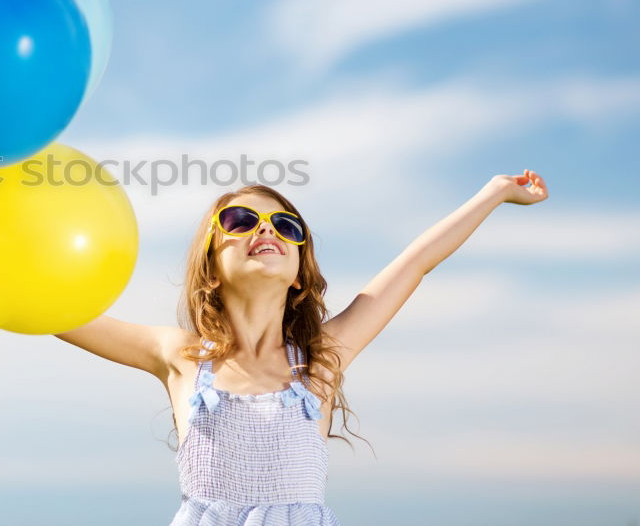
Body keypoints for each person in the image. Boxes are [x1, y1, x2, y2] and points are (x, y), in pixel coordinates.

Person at [56, 170, 549, 525]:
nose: (265, 229)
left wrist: (496, 192)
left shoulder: (322, 358)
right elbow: (53, 312)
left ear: (299, 277)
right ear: (209, 267)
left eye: (286, 226)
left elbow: (416, 261)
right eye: (241, 219)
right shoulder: (181, 357)